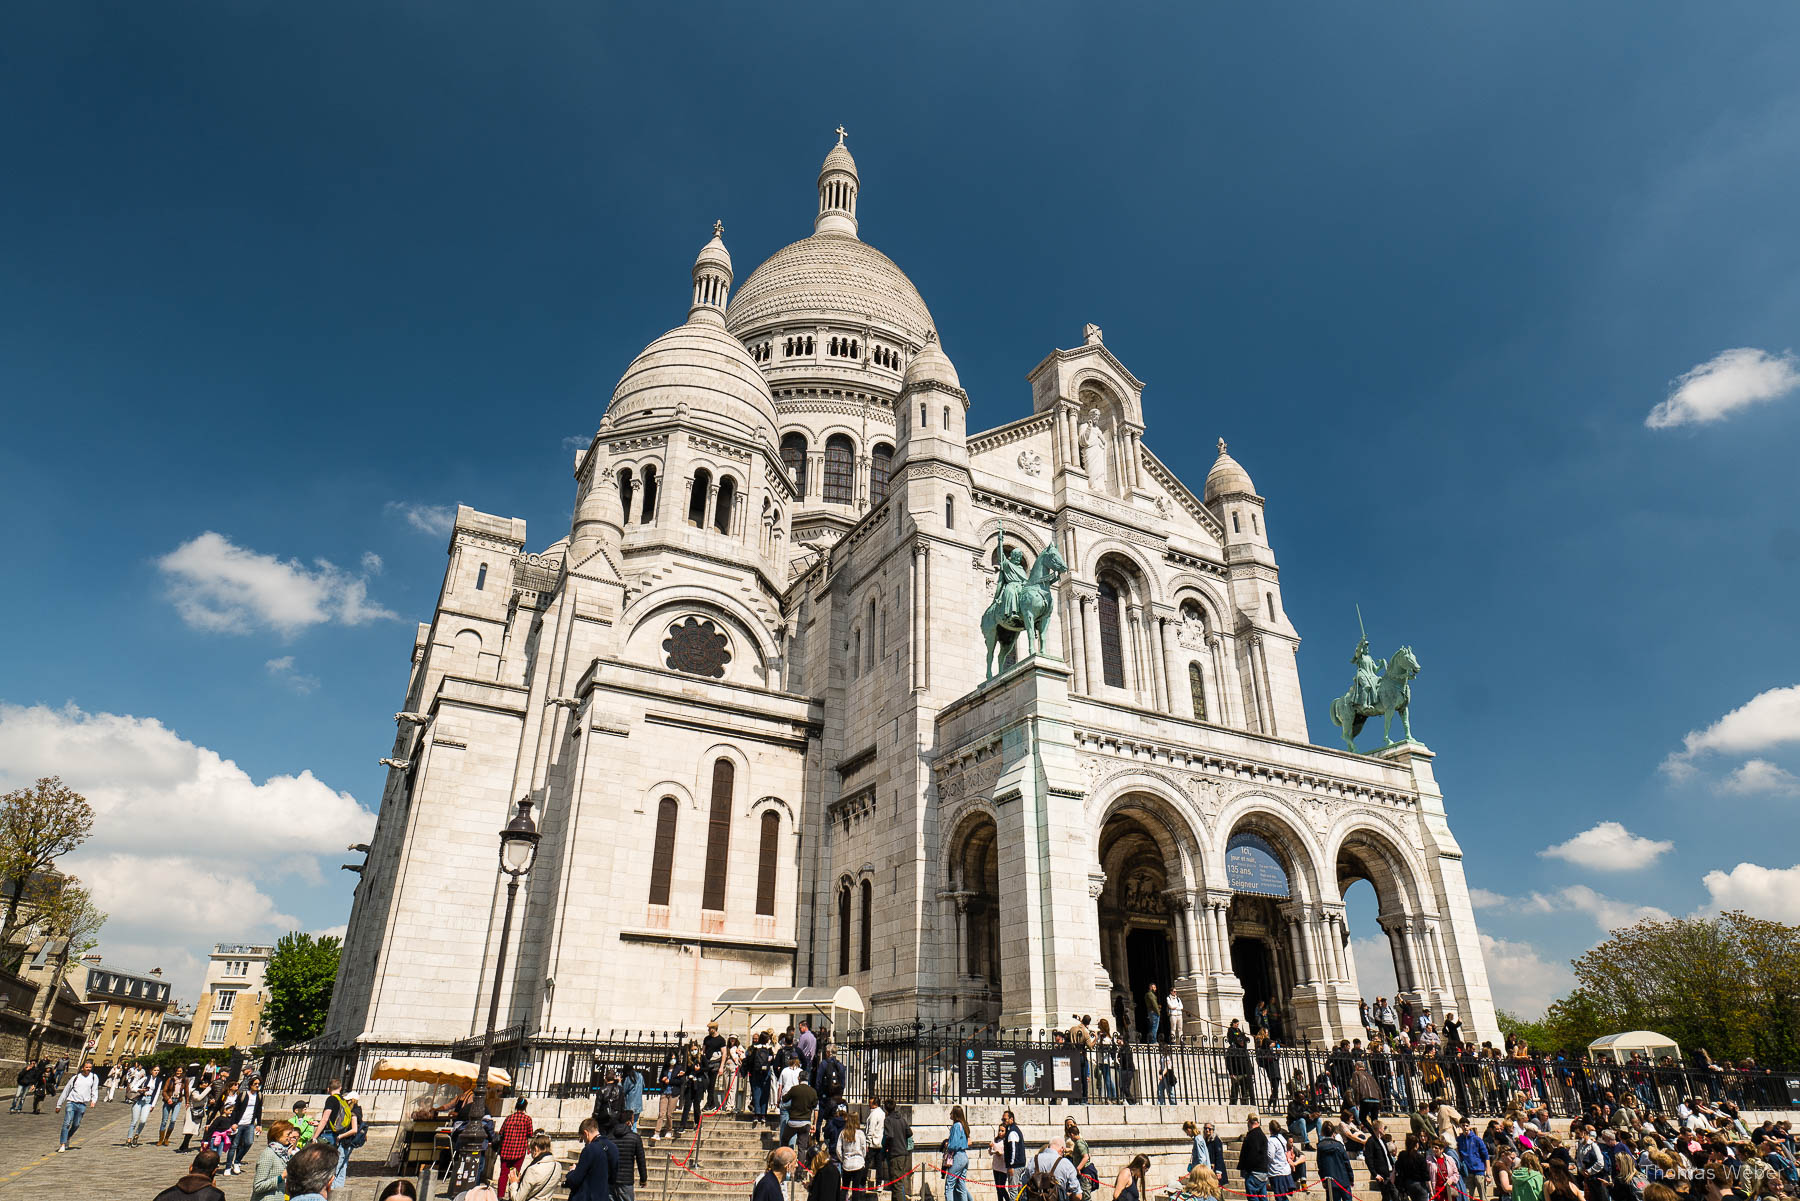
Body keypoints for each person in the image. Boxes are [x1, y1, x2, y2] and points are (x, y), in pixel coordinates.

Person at [565, 1116, 620, 1201]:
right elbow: (613, 1177)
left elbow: (575, 1179)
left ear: (586, 1133)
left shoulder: (589, 1149)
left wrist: (572, 1172)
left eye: (583, 1139)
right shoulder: (613, 1147)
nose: (584, 1142)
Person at [55, 1058, 100, 1152]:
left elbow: (94, 1089)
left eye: (90, 1067)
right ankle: (62, 1144)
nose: (88, 1069)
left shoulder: (93, 1077)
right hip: (71, 1102)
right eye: (86, 1067)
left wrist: (93, 1100)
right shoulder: (75, 1078)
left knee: (76, 1124)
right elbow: (66, 1090)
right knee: (67, 1122)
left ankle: (68, 1137)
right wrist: (59, 1104)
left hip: (82, 1104)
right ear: (82, 1067)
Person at [152, 1147, 229, 1201]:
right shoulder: (215, 1196)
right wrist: (213, 1190)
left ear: (191, 1168)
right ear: (214, 1171)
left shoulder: (164, 1195)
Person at [493, 1097, 535, 1195]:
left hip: (506, 1150)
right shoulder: (527, 1119)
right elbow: (530, 1134)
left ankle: (500, 1195)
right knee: (514, 1174)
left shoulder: (508, 1118)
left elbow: (501, 1132)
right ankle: (512, 1194)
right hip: (519, 1151)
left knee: (503, 1174)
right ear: (525, 1107)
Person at [252, 1120, 301, 1201]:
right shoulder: (269, 1154)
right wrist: (280, 1177)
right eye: (288, 1134)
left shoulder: (283, 1153)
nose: (290, 1138)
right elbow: (258, 1186)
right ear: (278, 1135)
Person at [509, 1132, 560, 1201]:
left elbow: (518, 1199)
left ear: (535, 1149)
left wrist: (513, 1183)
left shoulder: (533, 1170)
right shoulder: (558, 1166)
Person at [881, 1097, 913, 1201]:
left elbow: (889, 1136)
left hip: (894, 1154)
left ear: (886, 1108)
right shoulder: (902, 1119)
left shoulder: (888, 1120)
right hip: (903, 1153)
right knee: (898, 1182)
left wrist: (886, 1147)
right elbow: (909, 1133)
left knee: (896, 1185)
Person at [612, 1114, 647, 1201]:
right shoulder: (635, 1138)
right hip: (626, 1180)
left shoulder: (609, 1137)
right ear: (628, 1122)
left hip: (611, 1180)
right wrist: (643, 1179)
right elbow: (641, 1160)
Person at [1318, 1121, 1355, 1201]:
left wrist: (1323, 1180)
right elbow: (1346, 1163)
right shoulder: (1339, 1145)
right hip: (1344, 1180)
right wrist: (1351, 1178)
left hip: (1330, 1181)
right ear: (1333, 1132)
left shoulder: (1320, 1146)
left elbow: (1320, 1165)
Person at [129, 1064, 165, 1146]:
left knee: (143, 1120)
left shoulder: (159, 1081)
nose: (156, 1072)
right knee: (134, 1121)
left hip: (148, 1101)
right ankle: (129, 1138)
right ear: (151, 1071)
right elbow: (133, 1087)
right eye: (155, 1070)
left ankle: (137, 1135)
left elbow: (157, 1093)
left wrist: (153, 1105)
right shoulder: (145, 1078)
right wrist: (141, 1090)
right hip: (140, 1099)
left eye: (158, 1070)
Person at [839, 1109, 870, 1196]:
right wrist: (862, 1158)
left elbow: (838, 1149)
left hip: (847, 1163)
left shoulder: (843, 1133)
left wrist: (842, 1159)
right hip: (858, 1163)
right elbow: (864, 1148)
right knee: (855, 1189)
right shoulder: (860, 1133)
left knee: (845, 1187)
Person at [944, 1105, 972, 1201]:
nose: (950, 1114)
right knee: (961, 1184)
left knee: (949, 1185)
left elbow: (954, 1145)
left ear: (955, 1114)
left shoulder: (956, 1126)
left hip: (957, 1156)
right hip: (964, 1156)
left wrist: (947, 1145)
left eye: (952, 1112)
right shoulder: (963, 1125)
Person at [1365, 1120, 1397, 1201]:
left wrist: (1393, 1166)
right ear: (1379, 1129)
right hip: (1382, 1174)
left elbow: (1387, 1155)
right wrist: (1375, 1174)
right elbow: (1369, 1159)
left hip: (1389, 1172)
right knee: (1387, 1195)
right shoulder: (1371, 1141)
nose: (1384, 1130)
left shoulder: (1382, 1140)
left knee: (1394, 1195)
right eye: (1383, 1128)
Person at [1240, 1115, 1270, 1201]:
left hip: (1254, 1173)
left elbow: (1252, 1155)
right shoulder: (1262, 1135)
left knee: (1253, 1197)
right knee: (1263, 1197)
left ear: (1249, 1122)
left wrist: (1245, 1168)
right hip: (1263, 1172)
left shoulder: (1252, 1136)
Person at [158, 1068, 188, 1146]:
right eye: (177, 1071)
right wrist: (168, 1099)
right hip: (168, 1101)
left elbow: (187, 1091)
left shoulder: (184, 1080)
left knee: (173, 1120)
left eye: (180, 1071)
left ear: (182, 1072)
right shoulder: (170, 1079)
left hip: (177, 1101)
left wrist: (187, 1102)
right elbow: (164, 1091)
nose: (178, 1072)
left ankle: (167, 1138)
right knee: (164, 1121)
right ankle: (161, 1139)